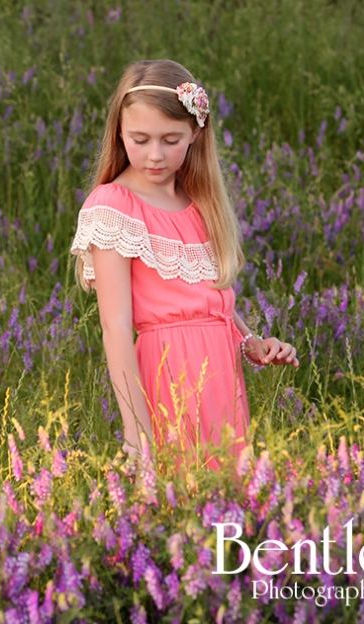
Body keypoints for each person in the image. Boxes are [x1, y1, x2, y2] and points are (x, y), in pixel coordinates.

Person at [70, 60, 298, 471]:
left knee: (225, 501)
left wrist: (252, 342)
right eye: (139, 139)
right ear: (119, 134)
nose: (154, 155)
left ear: (195, 133)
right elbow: (116, 327)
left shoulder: (200, 206)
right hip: (167, 375)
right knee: (181, 497)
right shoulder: (114, 207)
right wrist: (136, 430)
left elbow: (206, 298)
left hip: (222, 380)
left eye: (170, 140)